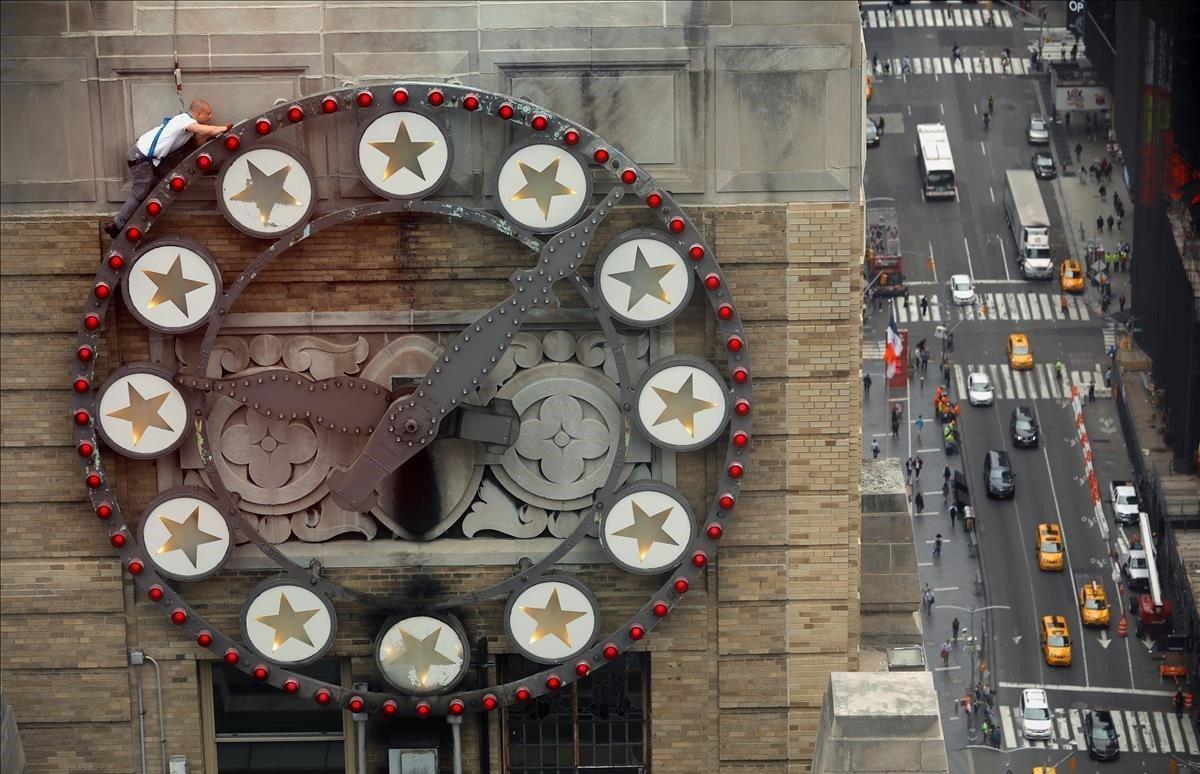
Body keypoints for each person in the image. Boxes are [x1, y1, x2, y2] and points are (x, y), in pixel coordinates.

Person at [105, 98, 229, 238]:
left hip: (149, 159)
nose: (211, 116)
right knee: (139, 194)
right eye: (208, 113)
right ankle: (116, 226)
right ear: (199, 114)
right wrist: (224, 128)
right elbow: (205, 131)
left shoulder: (181, 120)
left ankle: (126, 221)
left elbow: (196, 139)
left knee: (159, 183)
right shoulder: (185, 122)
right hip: (141, 159)